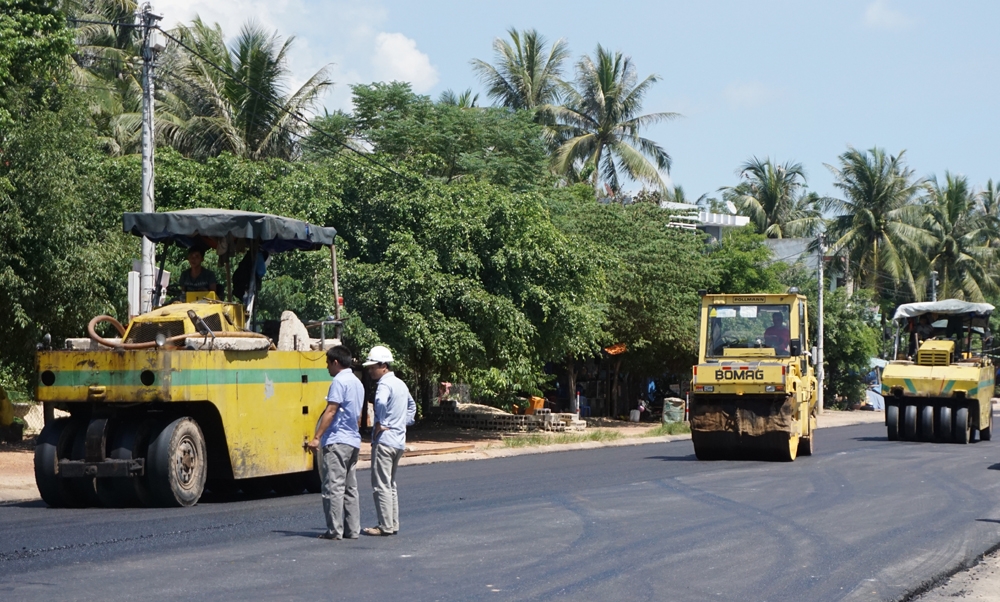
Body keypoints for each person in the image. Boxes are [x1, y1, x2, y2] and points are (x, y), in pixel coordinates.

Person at [307, 345, 364, 540]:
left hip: (338, 440)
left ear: (336, 362)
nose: (327, 368)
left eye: (328, 363)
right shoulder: (357, 383)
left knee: (333, 486)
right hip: (353, 440)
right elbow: (357, 415)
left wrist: (317, 437)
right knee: (350, 488)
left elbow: (331, 410)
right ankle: (353, 529)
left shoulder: (339, 382)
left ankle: (334, 530)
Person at [362, 345, 416, 537]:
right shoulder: (400, 384)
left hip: (385, 441)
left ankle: (385, 525)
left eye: (372, 367)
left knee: (381, 485)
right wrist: (403, 422)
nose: (370, 371)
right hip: (398, 440)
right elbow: (412, 406)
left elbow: (381, 403)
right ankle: (392, 523)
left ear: (383, 366)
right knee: (390, 484)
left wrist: (382, 422)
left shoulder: (384, 385)